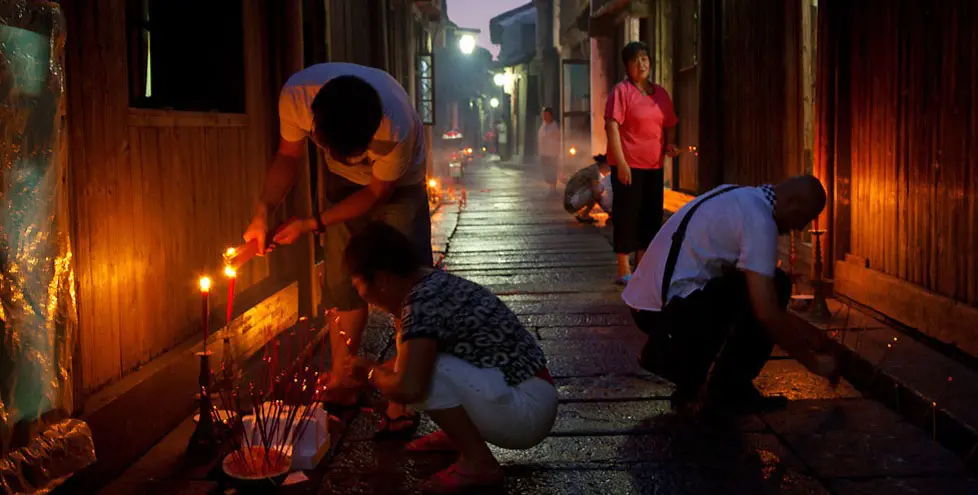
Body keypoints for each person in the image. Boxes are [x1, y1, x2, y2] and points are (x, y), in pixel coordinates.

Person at [242, 62, 432, 436]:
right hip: (343, 185)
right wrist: (263, 211)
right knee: (342, 277)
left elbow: (377, 192)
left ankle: (403, 392)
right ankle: (344, 380)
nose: (347, 158)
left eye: (354, 152)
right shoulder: (297, 98)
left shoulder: (396, 127)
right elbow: (288, 156)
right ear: (316, 125)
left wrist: (312, 222)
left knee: (406, 283)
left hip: (400, 184)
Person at [343, 223, 558, 493]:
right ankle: (460, 434)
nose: (361, 295)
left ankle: (479, 463)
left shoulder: (422, 305)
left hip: (526, 412)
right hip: (529, 395)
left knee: (425, 374)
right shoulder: (429, 284)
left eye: (358, 285)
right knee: (416, 361)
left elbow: (409, 387)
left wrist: (370, 372)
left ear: (382, 279)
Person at [623, 175, 838, 412]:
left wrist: (808, 332)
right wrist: (814, 363)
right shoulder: (759, 221)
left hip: (646, 303)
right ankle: (722, 387)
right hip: (663, 312)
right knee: (776, 285)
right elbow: (765, 312)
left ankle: (695, 377)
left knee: (754, 286)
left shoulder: (739, 196)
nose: (800, 228)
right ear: (794, 204)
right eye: (804, 219)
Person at [605, 41, 680, 285]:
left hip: (654, 166)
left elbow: (669, 123)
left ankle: (642, 265)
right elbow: (612, 126)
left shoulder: (660, 94)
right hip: (629, 165)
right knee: (627, 215)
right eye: (635, 60)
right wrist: (621, 162)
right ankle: (623, 268)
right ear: (627, 66)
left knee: (651, 216)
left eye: (644, 59)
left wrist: (669, 145)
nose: (641, 64)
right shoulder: (621, 91)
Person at [563, 154, 612, 223]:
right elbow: (596, 194)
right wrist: (607, 210)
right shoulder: (595, 172)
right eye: (610, 166)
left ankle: (584, 213)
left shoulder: (594, 169)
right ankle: (584, 215)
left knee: (597, 189)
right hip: (571, 202)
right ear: (605, 164)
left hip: (571, 200)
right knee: (598, 189)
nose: (609, 169)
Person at [537, 107, 560, 193]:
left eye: (546, 115)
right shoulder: (543, 125)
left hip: (552, 153)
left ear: (550, 115)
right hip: (544, 152)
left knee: (552, 170)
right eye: (543, 115)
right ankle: (550, 185)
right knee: (546, 170)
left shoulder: (554, 126)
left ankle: (553, 187)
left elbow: (556, 138)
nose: (544, 117)